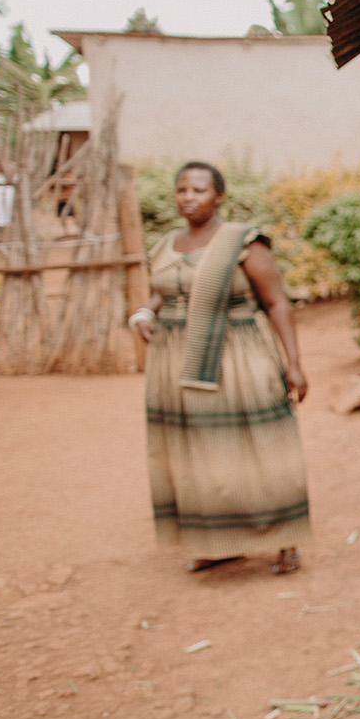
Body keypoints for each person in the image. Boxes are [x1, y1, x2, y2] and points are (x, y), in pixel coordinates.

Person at [129, 161, 310, 574]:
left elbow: (277, 302)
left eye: (197, 190)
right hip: (176, 360)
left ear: (219, 196)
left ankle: (284, 541)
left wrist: (294, 364)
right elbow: (162, 292)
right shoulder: (165, 245)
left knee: (259, 443)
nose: (188, 197)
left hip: (240, 357)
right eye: (181, 190)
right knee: (199, 452)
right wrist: (143, 313)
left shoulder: (243, 243)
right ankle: (219, 541)